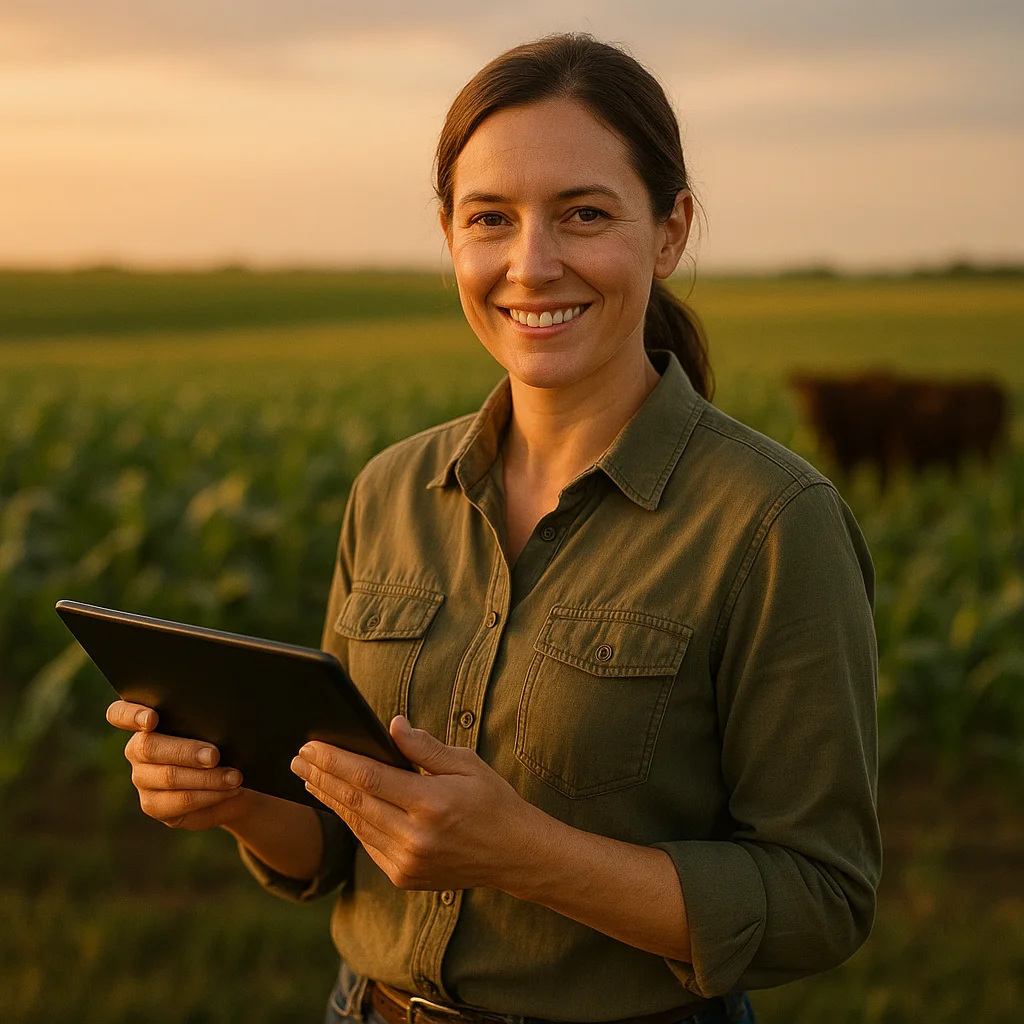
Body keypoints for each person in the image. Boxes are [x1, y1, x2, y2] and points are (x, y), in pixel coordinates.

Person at [107, 33, 881, 1024]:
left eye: (584, 215)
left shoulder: (773, 524)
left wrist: (528, 856)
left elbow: (820, 900)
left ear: (670, 230)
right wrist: (238, 803)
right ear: (449, 238)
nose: (532, 264)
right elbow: (343, 846)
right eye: (491, 219)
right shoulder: (391, 490)